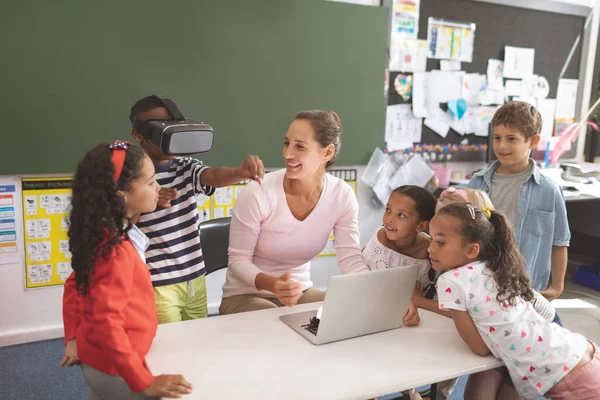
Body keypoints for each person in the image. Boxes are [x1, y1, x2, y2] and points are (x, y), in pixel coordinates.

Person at [60, 141, 193, 399]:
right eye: (151, 182)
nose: (158, 188)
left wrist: (73, 338)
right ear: (121, 196)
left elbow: (74, 285)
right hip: (117, 370)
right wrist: (143, 381)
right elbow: (106, 322)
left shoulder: (103, 235)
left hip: (98, 361)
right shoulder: (116, 253)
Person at [430, 203, 599, 400]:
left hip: (575, 381)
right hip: (580, 352)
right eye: (431, 239)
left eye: (440, 242)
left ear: (471, 250)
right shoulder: (495, 266)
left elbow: (481, 348)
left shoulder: (450, 281)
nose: (430, 248)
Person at [130, 95, 264, 323]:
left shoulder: (184, 167)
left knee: (197, 336)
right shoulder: (133, 177)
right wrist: (145, 201)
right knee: (170, 343)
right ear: (138, 135)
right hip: (158, 283)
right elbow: (123, 224)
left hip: (194, 278)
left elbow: (211, 176)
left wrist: (237, 173)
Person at [219, 110, 369, 314]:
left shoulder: (342, 195)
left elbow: (350, 258)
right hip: (245, 294)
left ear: (327, 153)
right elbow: (238, 262)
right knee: (272, 323)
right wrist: (274, 284)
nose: (287, 154)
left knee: (343, 313)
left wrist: (372, 288)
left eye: (299, 147)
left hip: (299, 293)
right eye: (286, 143)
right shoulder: (258, 193)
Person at [469, 101, 570, 304]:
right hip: (480, 283)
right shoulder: (476, 183)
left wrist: (557, 286)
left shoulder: (549, 190)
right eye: (497, 138)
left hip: (527, 289)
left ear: (533, 141)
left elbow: (559, 242)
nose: (501, 145)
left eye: (511, 139)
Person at [362, 185, 437, 400]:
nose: (389, 219)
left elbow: (427, 292)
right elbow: (367, 288)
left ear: (420, 225)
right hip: (372, 316)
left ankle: (409, 388)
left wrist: (415, 304)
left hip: (410, 322)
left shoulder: (431, 252)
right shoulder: (379, 242)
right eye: (388, 210)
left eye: (401, 215)